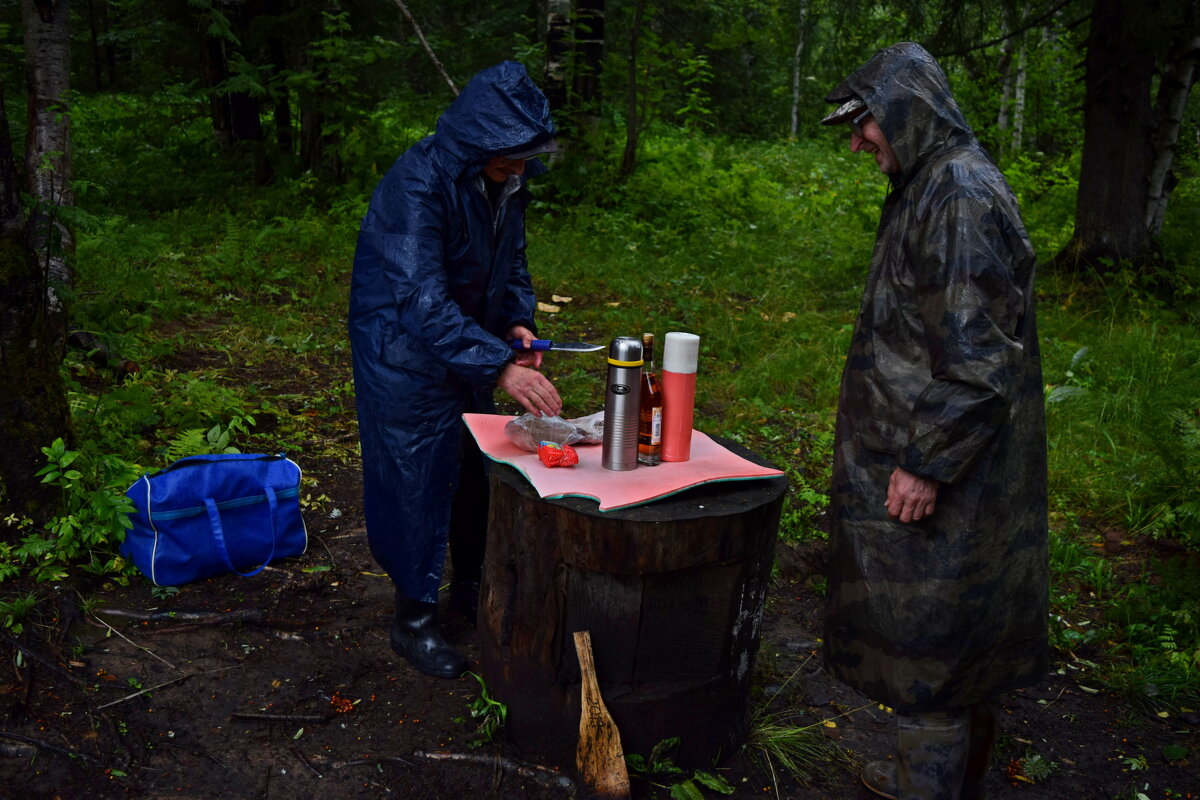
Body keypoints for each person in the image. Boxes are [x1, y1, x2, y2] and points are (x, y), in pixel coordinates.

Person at [819, 43, 1048, 799]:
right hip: (926, 450)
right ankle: (936, 776)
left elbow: (980, 358)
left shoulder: (959, 196)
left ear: (905, 112)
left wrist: (926, 460)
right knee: (936, 638)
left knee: (932, 644)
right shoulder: (931, 183)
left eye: (866, 124)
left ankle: (931, 787)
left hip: (948, 467)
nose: (856, 141)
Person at [349, 61, 563, 680]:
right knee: (415, 473)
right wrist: (500, 366)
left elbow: (511, 260)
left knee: (475, 466)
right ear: (480, 141)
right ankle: (412, 618)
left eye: (528, 154)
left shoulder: (505, 179)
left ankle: (469, 588)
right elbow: (418, 296)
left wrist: (516, 323)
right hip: (402, 346)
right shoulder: (418, 183)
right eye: (512, 154)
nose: (521, 166)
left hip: (466, 339)